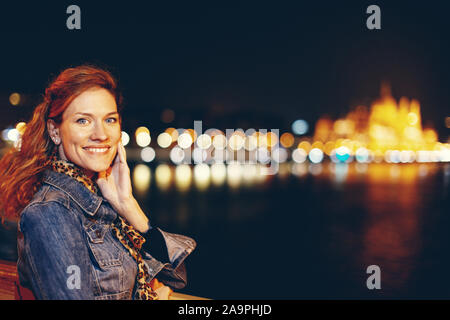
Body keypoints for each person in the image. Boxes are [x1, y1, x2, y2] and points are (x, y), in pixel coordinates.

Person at [0, 65, 196, 300]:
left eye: (110, 119)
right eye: (83, 121)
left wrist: (127, 204)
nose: (101, 134)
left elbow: (176, 277)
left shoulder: (97, 199)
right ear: (55, 131)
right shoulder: (51, 213)